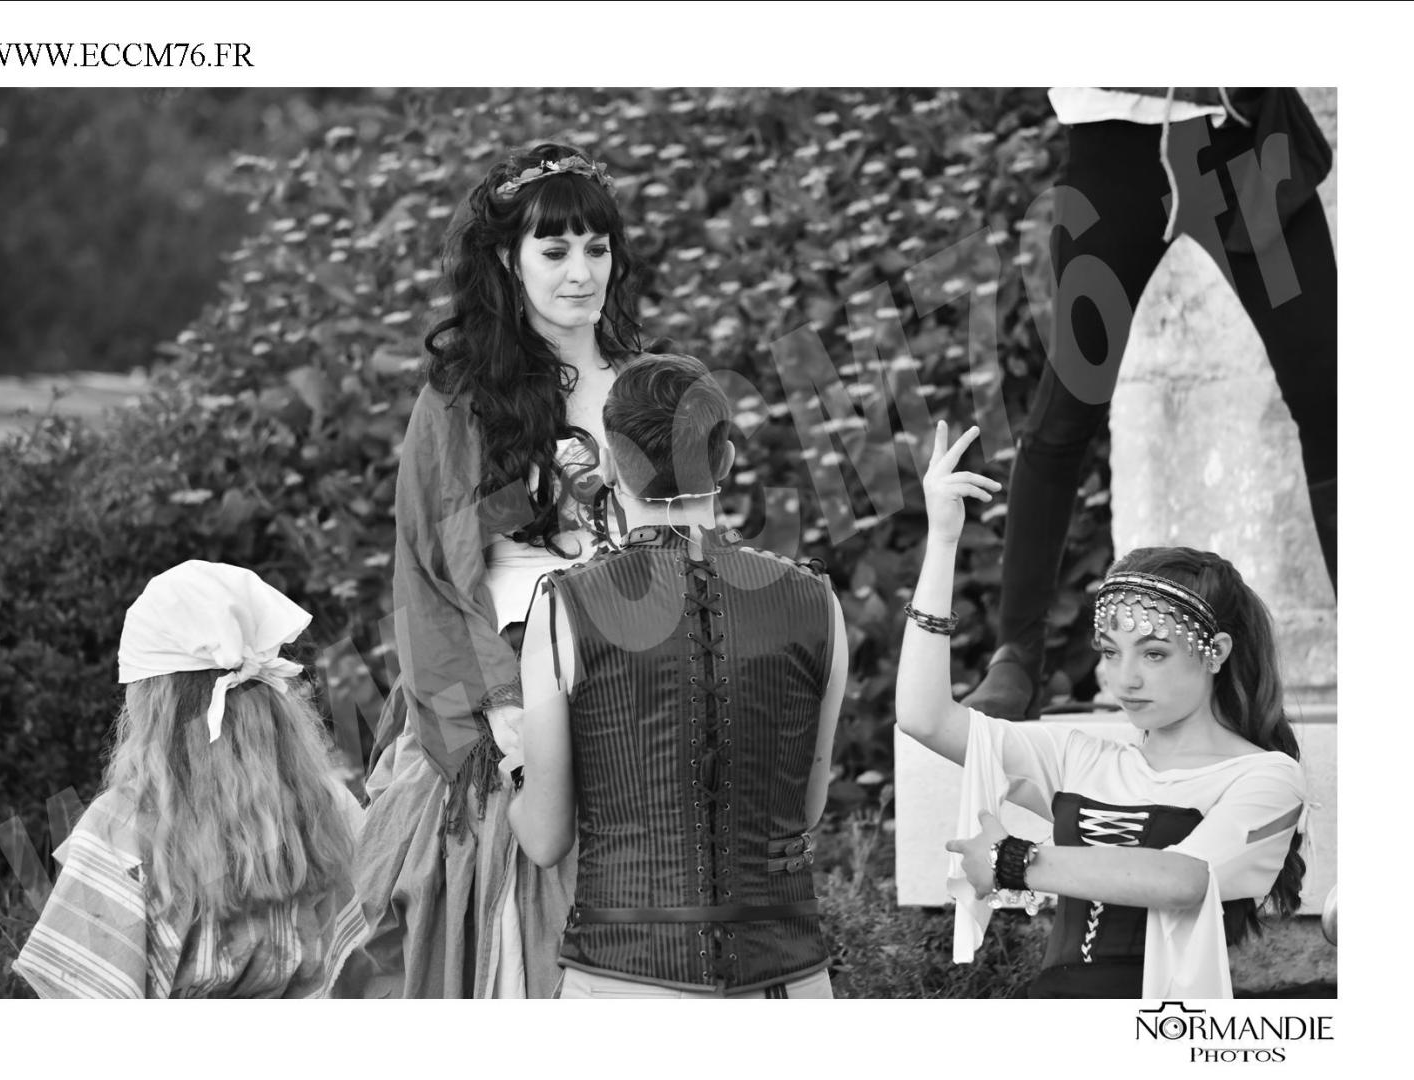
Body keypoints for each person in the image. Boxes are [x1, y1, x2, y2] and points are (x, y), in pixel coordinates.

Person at [351, 142, 650, 998]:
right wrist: (504, 717)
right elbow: (430, 566)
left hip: (639, 682)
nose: (580, 273)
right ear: (509, 261)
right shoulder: (460, 397)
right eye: (554, 251)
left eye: (596, 248)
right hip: (504, 691)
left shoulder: (647, 387)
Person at [896, 424, 1308, 998]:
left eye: (1154, 654)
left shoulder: (1266, 777)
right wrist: (942, 541)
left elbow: (1183, 880)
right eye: (1111, 653)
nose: (1125, 678)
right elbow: (925, 718)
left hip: (1161, 1026)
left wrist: (1013, 860)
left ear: (1215, 652)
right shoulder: (1080, 759)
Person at [967, 87, 1336, 720]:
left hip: (1242, 147)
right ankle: (1016, 659)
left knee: (1333, 398)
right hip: (1115, 152)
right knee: (1069, 406)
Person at [507, 353, 847, 998]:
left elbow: (545, 838)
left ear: (611, 465)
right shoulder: (815, 599)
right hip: (788, 979)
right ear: (726, 461)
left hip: (625, 978)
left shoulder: (565, 603)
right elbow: (803, 810)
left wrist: (517, 770)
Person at [12, 560, 366, 998]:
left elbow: (87, 990)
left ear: (151, 700)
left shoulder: (122, 827)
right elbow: (363, 959)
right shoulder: (326, 804)